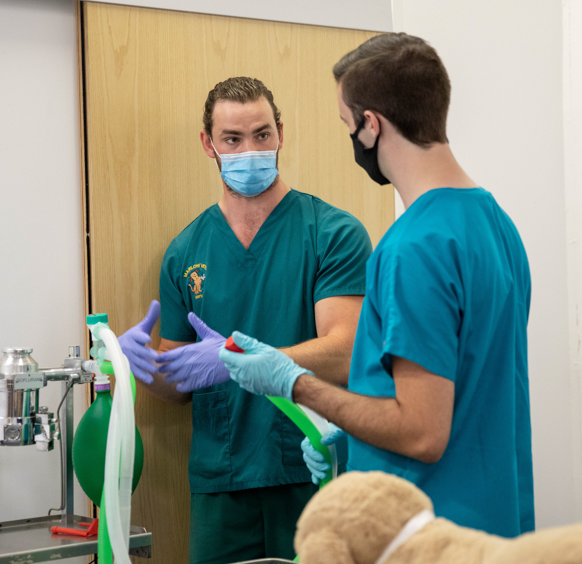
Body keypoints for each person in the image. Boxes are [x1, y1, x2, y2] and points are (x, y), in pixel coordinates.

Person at [218, 34, 534, 537]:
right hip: (492, 531)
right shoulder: (495, 224)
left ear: (371, 125)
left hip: (428, 544)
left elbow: (422, 432)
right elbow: (464, 383)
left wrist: (295, 384)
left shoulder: (414, 247)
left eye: (347, 124)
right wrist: (350, 436)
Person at [117, 77, 373, 564]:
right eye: (233, 140)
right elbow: (180, 382)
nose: (249, 150)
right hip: (221, 480)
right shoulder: (185, 251)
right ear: (208, 143)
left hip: (311, 468)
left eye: (261, 135)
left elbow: (345, 351)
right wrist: (145, 367)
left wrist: (232, 358)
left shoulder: (331, 234)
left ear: (281, 132)